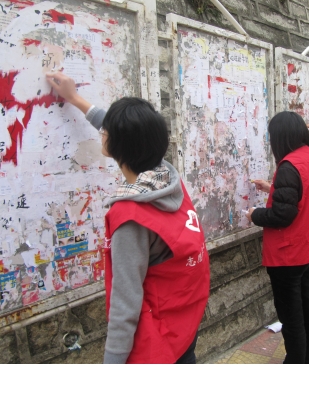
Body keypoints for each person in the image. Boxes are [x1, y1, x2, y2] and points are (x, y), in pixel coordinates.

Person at [45, 71, 210, 364]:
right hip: (183, 321)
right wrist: (75, 99)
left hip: (158, 338)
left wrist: (113, 362)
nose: (103, 132)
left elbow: (125, 302)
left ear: (118, 145)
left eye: (107, 132)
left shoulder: (130, 217)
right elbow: (127, 131)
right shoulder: (167, 178)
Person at [246, 111, 309, 364]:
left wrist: (254, 214)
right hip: (307, 248)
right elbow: (301, 194)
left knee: (291, 316)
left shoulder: (289, 165)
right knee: (305, 306)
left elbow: (283, 214)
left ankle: (295, 361)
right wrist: (272, 187)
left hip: (289, 253)